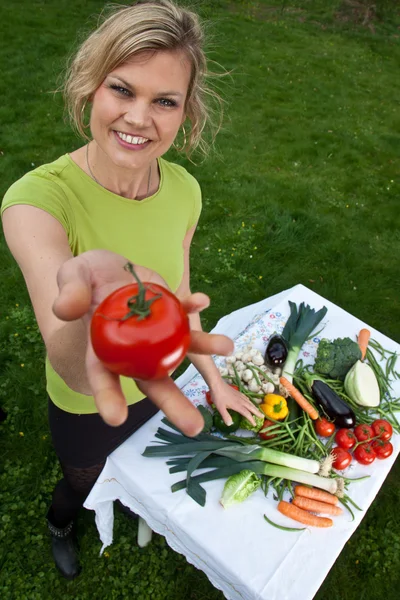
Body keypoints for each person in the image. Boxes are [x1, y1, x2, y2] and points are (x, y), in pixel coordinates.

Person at [1, 0, 263, 580]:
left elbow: (181, 291)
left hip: (158, 380)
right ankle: (60, 522)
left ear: (185, 113)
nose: (140, 117)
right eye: (122, 89)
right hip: (86, 402)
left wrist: (213, 382)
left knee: (140, 467)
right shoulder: (37, 203)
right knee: (85, 476)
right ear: (90, 89)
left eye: (164, 101)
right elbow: (74, 369)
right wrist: (89, 287)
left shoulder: (185, 189)